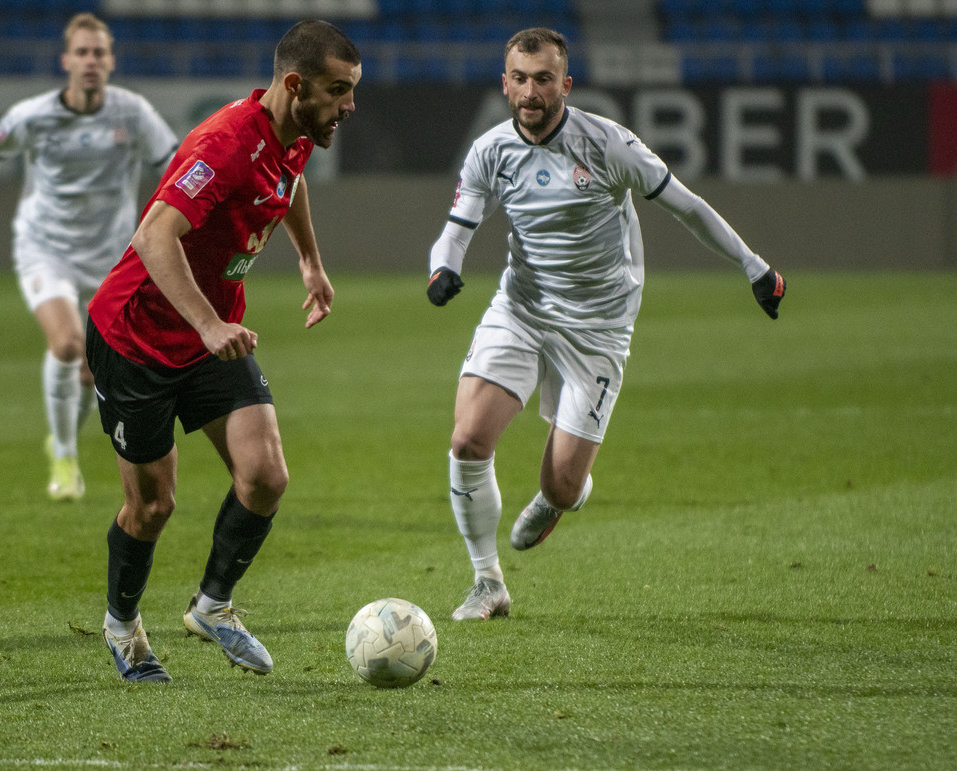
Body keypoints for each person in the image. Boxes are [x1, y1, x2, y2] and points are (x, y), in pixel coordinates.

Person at [427, 28, 786, 621]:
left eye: (544, 79)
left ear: (566, 84)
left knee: (562, 486)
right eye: (520, 79)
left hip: (598, 328)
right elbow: (456, 229)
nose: (531, 92)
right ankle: (487, 582)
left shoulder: (609, 144)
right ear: (505, 84)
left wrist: (755, 267)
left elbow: (689, 207)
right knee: (468, 440)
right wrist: (443, 269)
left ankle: (563, 494)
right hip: (521, 309)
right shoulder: (490, 150)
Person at [86, 20, 361, 682]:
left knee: (265, 476)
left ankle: (212, 606)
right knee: (153, 507)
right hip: (137, 338)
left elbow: (290, 180)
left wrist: (309, 260)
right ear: (295, 85)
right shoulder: (226, 144)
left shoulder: (294, 132)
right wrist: (209, 325)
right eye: (338, 90)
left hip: (209, 334)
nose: (348, 105)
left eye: (352, 90)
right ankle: (122, 626)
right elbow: (154, 236)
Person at [0, 13, 178, 502]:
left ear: (111, 61)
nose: (91, 61)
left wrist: (177, 224)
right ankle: (63, 455)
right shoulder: (34, 115)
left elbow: (174, 163)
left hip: (112, 257)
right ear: (66, 61)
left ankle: (64, 440)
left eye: (99, 52)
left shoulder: (133, 112)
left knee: (92, 370)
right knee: (66, 345)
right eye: (82, 52)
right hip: (46, 247)